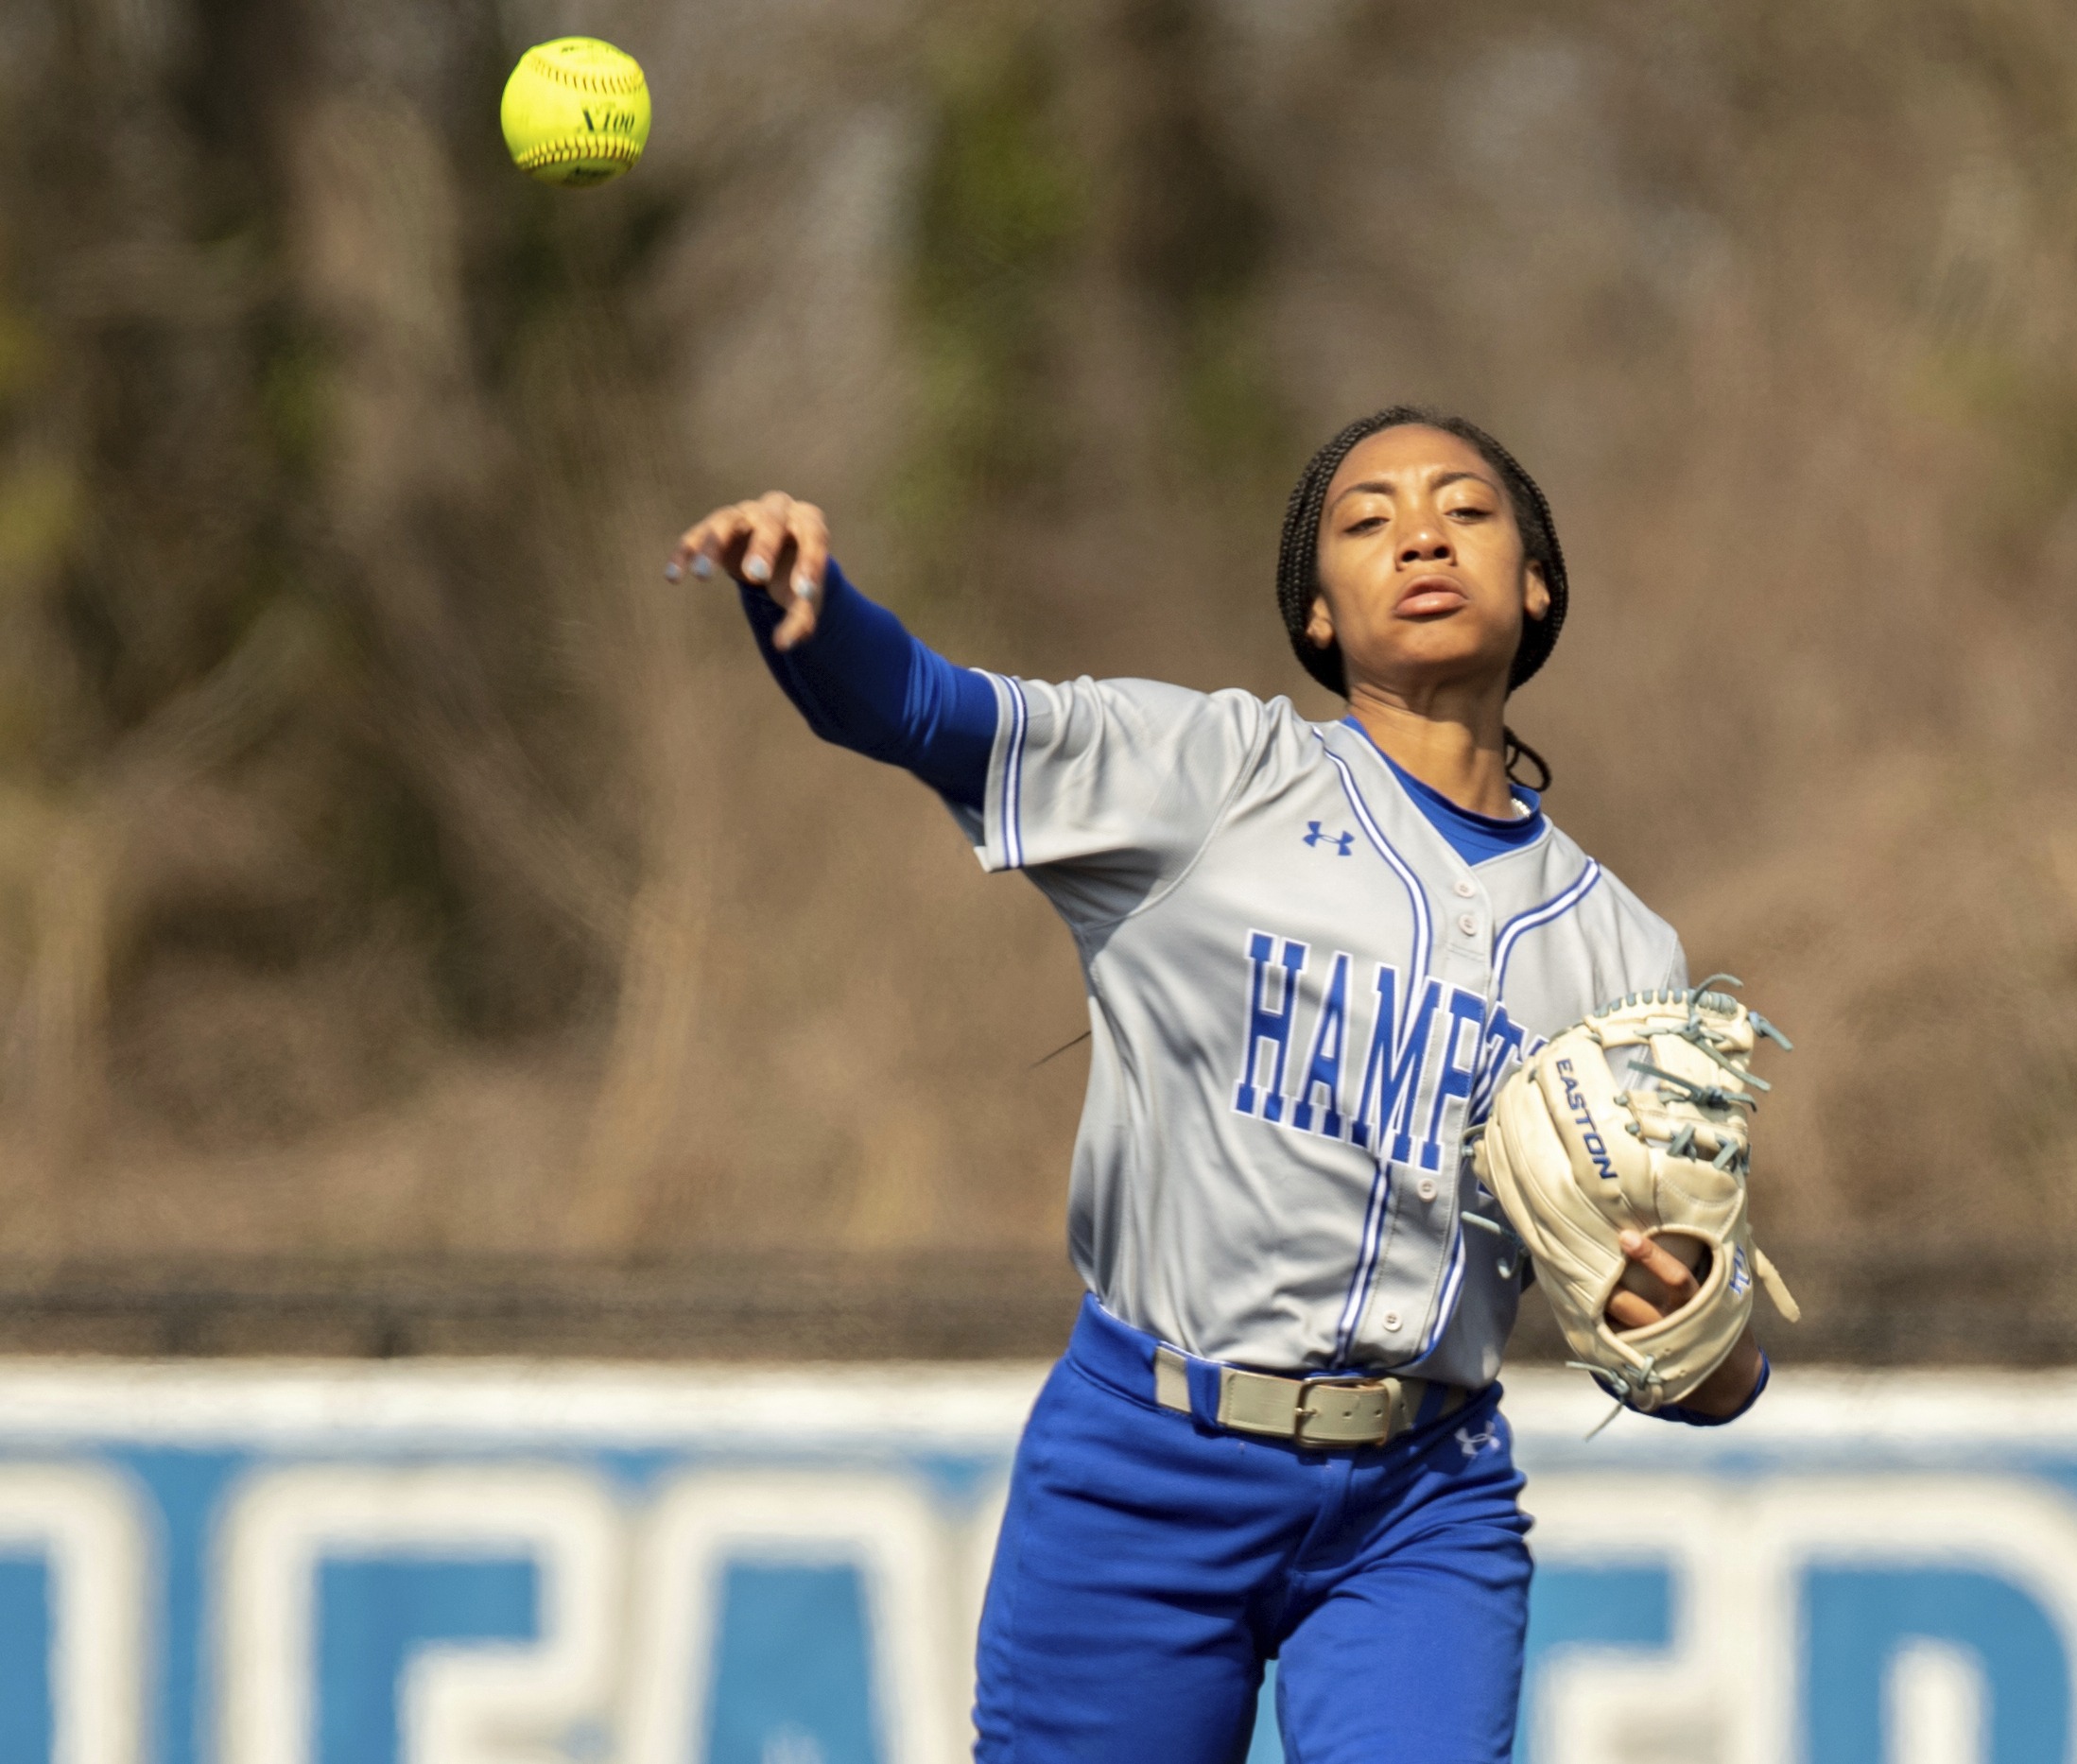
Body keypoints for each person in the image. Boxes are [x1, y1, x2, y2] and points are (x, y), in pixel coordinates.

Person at [666, 406, 1771, 1764]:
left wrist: (1697, 1330)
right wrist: (813, 610)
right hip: (1146, 1463)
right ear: (1317, 617)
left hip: (1421, 1500)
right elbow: (921, 709)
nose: (1421, 531)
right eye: (1366, 520)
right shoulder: (1209, 777)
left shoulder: (1624, 953)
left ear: (1537, 585)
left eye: (1467, 510)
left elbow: (1704, 1368)